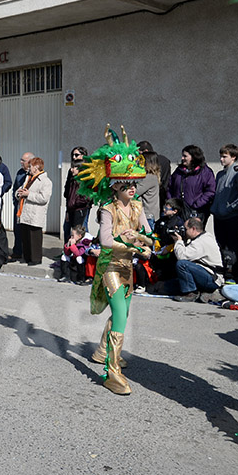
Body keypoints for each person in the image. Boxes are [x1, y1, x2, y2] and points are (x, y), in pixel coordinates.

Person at [79, 126, 151, 395]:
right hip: (110, 266)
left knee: (122, 314)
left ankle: (101, 351)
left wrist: (147, 244)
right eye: (127, 185)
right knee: (120, 315)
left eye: (134, 184)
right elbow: (106, 241)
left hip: (128, 268)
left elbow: (146, 232)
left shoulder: (138, 207)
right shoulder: (107, 209)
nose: (132, 188)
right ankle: (112, 372)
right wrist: (132, 245)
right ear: (115, 185)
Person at [165, 217, 224, 302]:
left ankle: (190, 293)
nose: (184, 231)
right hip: (207, 274)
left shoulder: (201, 242)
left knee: (182, 264)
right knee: (170, 286)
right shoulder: (204, 236)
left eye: (185, 229)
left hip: (212, 279)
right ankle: (202, 292)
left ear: (193, 229)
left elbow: (182, 256)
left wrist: (178, 241)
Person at [212, 144, 238, 282]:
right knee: (221, 244)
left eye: (224, 156)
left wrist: (230, 208)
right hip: (219, 215)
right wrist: (215, 209)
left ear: (233, 157)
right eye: (221, 156)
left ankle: (236, 273)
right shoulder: (220, 174)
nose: (221, 159)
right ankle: (224, 270)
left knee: (233, 244)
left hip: (232, 215)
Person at [15, 157, 52, 266]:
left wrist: (28, 195)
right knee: (25, 236)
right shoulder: (28, 178)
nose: (28, 168)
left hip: (35, 213)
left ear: (36, 167)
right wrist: (19, 193)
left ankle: (35, 259)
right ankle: (27, 257)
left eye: (30, 166)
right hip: (25, 212)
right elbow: (20, 190)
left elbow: (44, 198)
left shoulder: (46, 181)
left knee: (34, 237)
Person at [169, 144, 216, 226]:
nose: (182, 158)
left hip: (196, 212)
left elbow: (210, 191)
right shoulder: (178, 172)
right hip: (178, 211)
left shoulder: (205, 172)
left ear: (193, 157)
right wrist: (172, 203)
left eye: (185, 156)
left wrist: (197, 204)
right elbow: (170, 187)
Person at [63, 147, 92, 242]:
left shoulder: (87, 172)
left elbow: (87, 196)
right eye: (73, 155)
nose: (74, 157)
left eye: (76, 155)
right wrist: (69, 207)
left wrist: (76, 203)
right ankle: (67, 250)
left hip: (81, 208)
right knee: (67, 229)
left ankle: (83, 251)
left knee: (81, 229)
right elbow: (68, 190)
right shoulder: (72, 173)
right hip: (71, 207)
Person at [11, 152, 34, 260]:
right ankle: (17, 251)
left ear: (29, 162)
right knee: (17, 229)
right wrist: (15, 201)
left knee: (28, 231)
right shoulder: (20, 172)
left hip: (29, 206)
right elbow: (15, 188)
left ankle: (28, 253)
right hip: (18, 206)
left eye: (23, 160)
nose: (21, 162)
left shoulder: (35, 174)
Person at [137, 140, 171, 208]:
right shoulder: (164, 160)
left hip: (150, 203)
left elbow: (137, 191)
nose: (138, 157)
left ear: (145, 151)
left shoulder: (150, 176)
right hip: (159, 197)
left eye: (139, 154)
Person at [137, 151, 162, 230]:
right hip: (149, 215)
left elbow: (136, 191)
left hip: (147, 215)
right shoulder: (153, 176)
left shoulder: (149, 177)